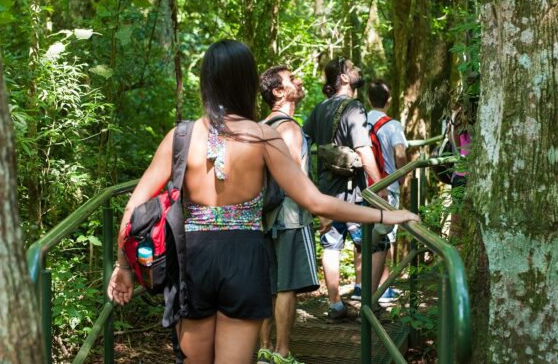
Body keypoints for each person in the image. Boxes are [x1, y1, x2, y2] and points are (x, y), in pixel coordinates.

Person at [107, 40, 419, 364]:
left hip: (193, 259)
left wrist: (124, 267)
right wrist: (384, 215)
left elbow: (133, 210)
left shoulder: (181, 136)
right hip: (245, 258)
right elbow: (316, 202)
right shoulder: (263, 136)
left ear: (207, 82)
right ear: (248, 82)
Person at [303, 57, 391, 322]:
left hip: (326, 193)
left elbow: (303, 144)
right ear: (342, 77)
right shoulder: (354, 107)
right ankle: (369, 305)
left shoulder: (319, 109)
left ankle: (335, 304)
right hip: (353, 193)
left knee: (332, 245)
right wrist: (380, 186)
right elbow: (364, 150)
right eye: (352, 68)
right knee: (377, 243)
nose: (358, 71)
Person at [257, 65, 318, 364]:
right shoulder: (289, 128)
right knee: (287, 287)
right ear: (279, 92)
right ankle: (282, 353)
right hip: (291, 217)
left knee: (269, 286)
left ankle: (264, 348)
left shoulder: (261, 126)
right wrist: (322, 210)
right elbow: (295, 177)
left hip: (264, 218)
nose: (300, 80)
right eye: (292, 79)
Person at [367, 79, 408, 303]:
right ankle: (383, 290)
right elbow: (400, 154)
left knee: (366, 239)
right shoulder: (392, 125)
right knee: (386, 237)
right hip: (387, 187)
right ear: (389, 100)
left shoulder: (360, 121)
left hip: (364, 189)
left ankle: (362, 289)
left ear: (367, 99)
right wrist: (402, 177)